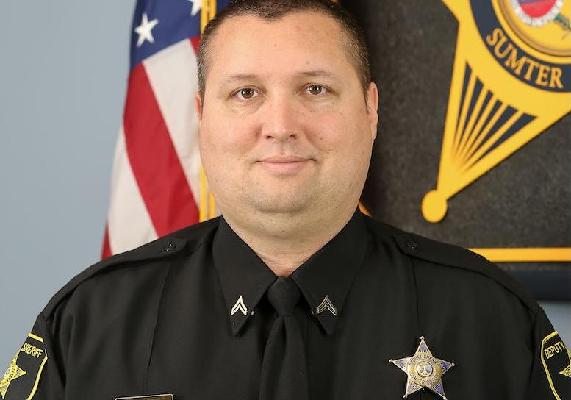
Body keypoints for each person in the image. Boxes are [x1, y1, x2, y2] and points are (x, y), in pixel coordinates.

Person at [2, 0, 570, 399]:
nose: (280, 125)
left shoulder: (493, 319)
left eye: (315, 89)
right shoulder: (88, 323)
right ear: (201, 118)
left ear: (370, 111)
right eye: (245, 92)